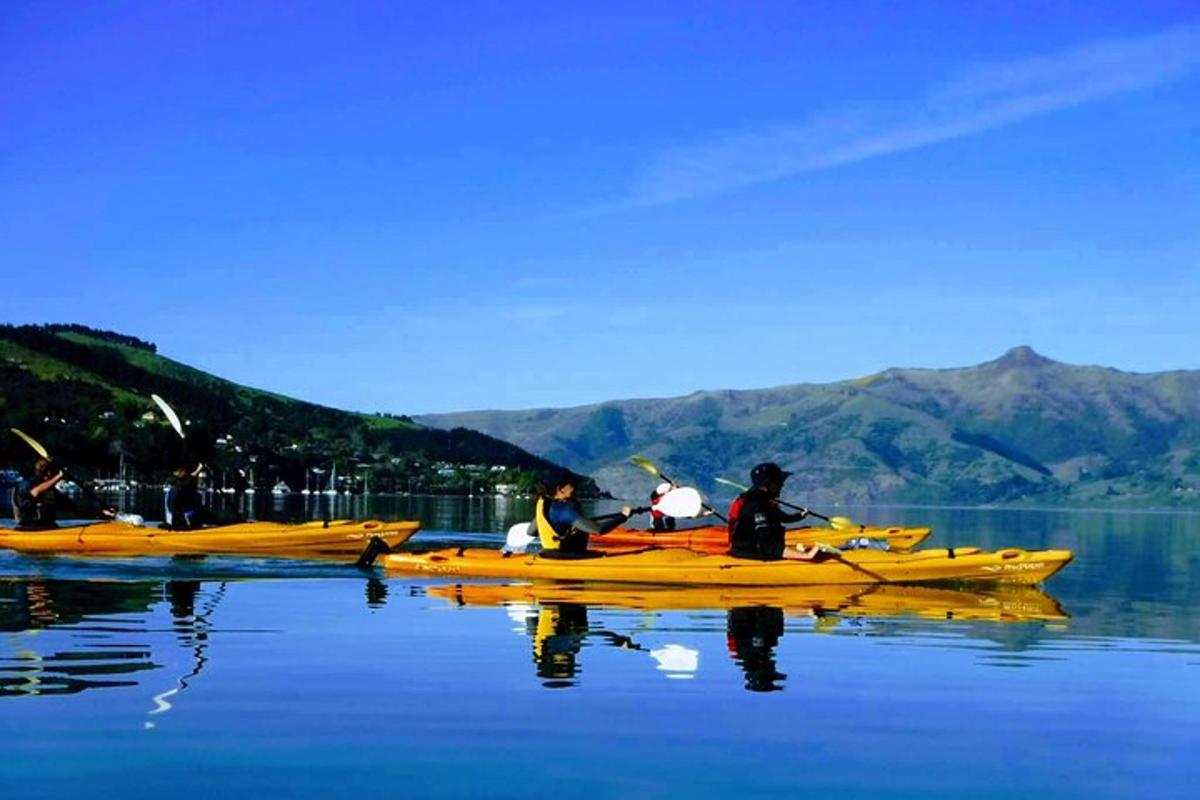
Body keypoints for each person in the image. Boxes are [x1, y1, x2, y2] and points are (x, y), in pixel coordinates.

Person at [727, 462, 823, 561]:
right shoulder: (756, 506)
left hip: (757, 549)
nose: (782, 484)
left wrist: (799, 515)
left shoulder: (765, 501)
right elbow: (767, 545)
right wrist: (806, 556)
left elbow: (783, 517)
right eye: (779, 481)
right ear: (768, 484)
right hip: (748, 552)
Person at [534, 472, 634, 556]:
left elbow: (531, 532)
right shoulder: (565, 510)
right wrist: (623, 517)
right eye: (572, 486)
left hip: (548, 554)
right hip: (566, 556)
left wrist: (564, 528)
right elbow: (597, 530)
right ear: (561, 489)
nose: (575, 490)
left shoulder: (542, 504)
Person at [11, 458, 114, 530]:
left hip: (49, 528)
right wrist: (58, 477)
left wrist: (101, 513)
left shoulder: (52, 492)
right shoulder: (25, 485)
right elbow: (35, 493)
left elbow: (75, 508)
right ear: (48, 474)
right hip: (29, 529)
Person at [164, 463, 214, 530]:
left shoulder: (186, 488)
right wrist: (199, 468)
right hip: (177, 522)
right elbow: (190, 478)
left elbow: (191, 478)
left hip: (185, 515)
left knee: (197, 502)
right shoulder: (176, 487)